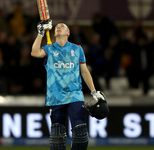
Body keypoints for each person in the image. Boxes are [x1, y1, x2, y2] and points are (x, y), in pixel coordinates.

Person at [31, 19, 108, 150]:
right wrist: (41, 33)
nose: (58, 27)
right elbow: (34, 52)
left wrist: (94, 91)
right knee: (57, 139)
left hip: (75, 94)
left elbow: (84, 72)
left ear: (68, 32)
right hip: (55, 97)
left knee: (81, 135)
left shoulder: (77, 49)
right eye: (57, 27)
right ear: (54, 33)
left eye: (62, 26)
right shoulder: (49, 49)